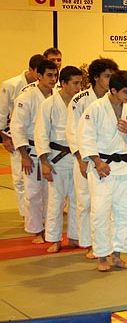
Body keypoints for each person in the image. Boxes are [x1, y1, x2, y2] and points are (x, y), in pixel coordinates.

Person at [77, 70, 127, 272]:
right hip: (101, 167)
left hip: (123, 166)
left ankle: (117, 255)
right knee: (100, 212)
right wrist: (97, 162)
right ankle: (101, 256)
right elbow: (85, 137)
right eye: (125, 92)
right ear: (113, 90)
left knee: (125, 213)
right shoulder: (95, 108)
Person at [66, 58, 119, 259]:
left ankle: (108, 244)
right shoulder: (80, 100)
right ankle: (88, 243)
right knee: (85, 202)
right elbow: (72, 131)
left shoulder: (114, 100)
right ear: (96, 77)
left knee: (108, 204)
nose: (110, 80)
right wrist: (81, 158)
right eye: (106, 76)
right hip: (86, 157)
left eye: (112, 76)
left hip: (108, 160)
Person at [34, 65, 83, 253]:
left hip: (77, 157)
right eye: (75, 83)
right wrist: (44, 162)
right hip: (56, 158)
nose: (79, 87)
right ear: (63, 83)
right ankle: (54, 239)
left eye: (80, 83)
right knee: (56, 200)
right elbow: (41, 134)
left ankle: (74, 236)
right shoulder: (49, 104)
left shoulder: (80, 103)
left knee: (76, 198)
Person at [10, 59, 58, 243]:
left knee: (52, 193)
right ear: (39, 76)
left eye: (55, 75)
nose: (54, 79)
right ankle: (37, 229)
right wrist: (23, 156)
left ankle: (50, 228)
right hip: (30, 150)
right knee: (33, 192)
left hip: (52, 151)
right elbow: (17, 128)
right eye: (49, 75)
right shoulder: (26, 97)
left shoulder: (57, 97)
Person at [0, 53, 45, 217]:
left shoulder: (48, 88)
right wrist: (4, 137)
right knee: (19, 179)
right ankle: (25, 214)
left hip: (39, 139)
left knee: (41, 180)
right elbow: (1, 112)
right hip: (15, 137)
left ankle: (41, 213)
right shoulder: (11, 84)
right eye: (37, 73)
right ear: (31, 70)